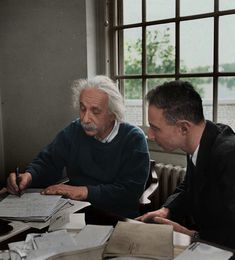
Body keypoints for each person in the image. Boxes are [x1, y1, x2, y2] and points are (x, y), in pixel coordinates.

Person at [6, 75, 150, 218]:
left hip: (117, 217)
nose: (85, 119)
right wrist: (29, 176)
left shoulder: (133, 138)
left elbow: (129, 192)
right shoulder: (75, 130)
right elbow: (49, 161)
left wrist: (82, 191)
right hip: (76, 213)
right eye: (82, 109)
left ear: (113, 114)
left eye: (95, 111)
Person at [137, 80, 235, 249]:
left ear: (183, 128)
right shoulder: (202, 139)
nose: (150, 135)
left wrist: (191, 235)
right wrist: (166, 210)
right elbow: (190, 186)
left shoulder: (229, 155)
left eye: (155, 128)